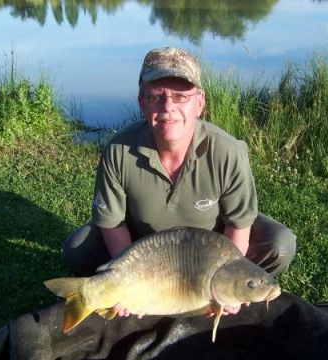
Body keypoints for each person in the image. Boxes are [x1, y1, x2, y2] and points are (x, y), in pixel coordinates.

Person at [63, 46, 296, 316]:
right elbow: (113, 224)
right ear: (141, 103)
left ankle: (221, 286)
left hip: (211, 251)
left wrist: (232, 282)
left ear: (200, 102)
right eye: (155, 97)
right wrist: (126, 279)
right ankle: (138, 289)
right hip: (145, 247)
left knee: (280, 243)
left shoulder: (228, 152)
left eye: (180, 96)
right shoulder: (118, 151)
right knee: (77, 248)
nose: (168, 107)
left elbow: (238, 225)